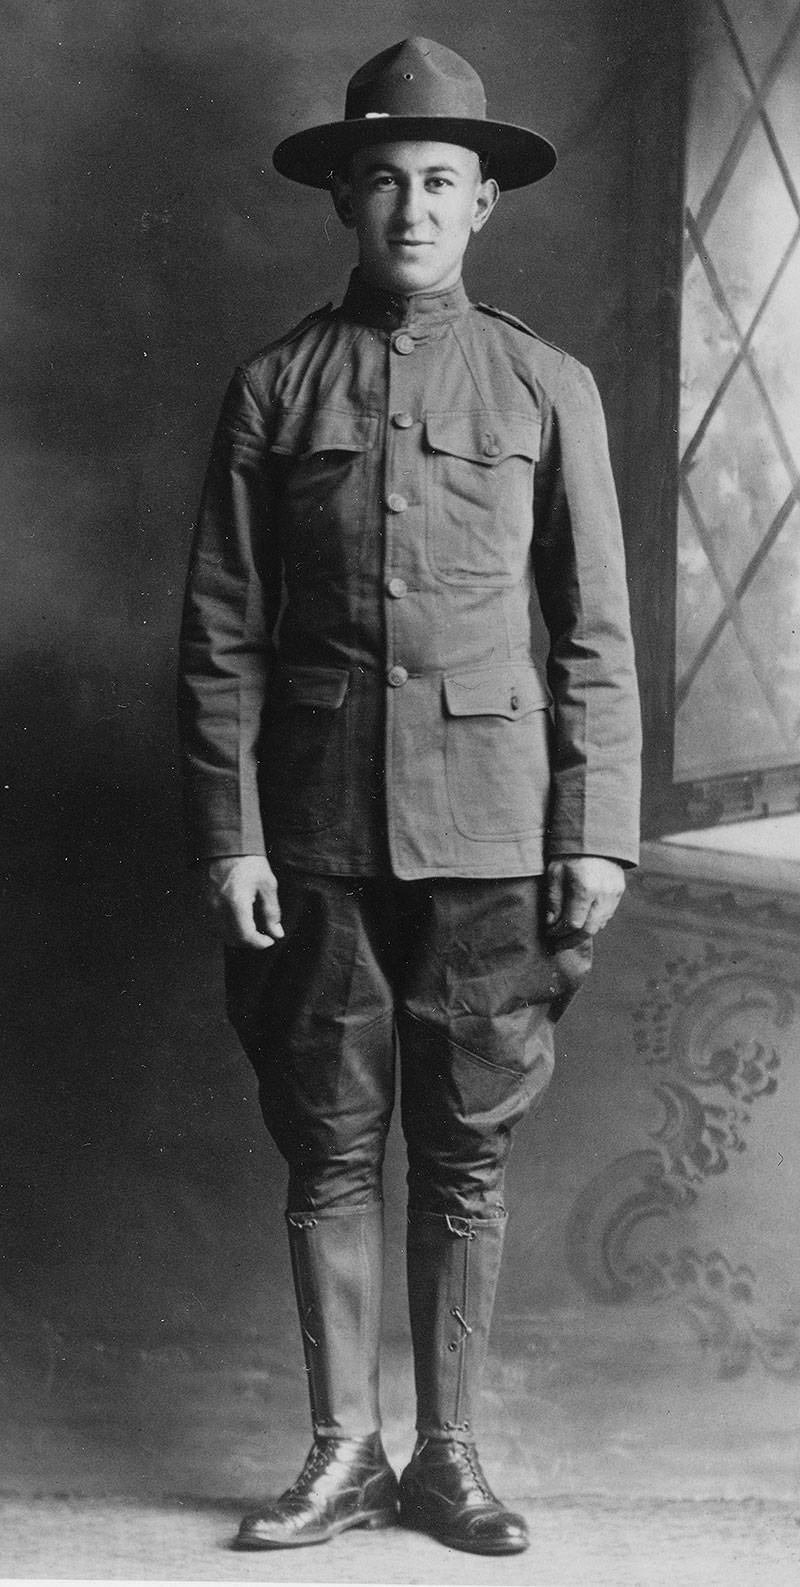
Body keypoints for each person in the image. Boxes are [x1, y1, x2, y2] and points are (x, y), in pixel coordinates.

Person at [178, 36, 641, 1557]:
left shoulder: (546, 385)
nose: (414, 208)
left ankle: (447, 1459)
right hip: (313, 829)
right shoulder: (276, 386)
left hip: (495, 828)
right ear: (344, 201)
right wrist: (233, 835)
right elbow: (223, 634)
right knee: (327, 1142)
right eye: (384, 181)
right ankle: (341, 1454)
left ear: (484, 201)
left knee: (466, 1144)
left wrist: (597, 833)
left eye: (442, 181)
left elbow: (594, 632)